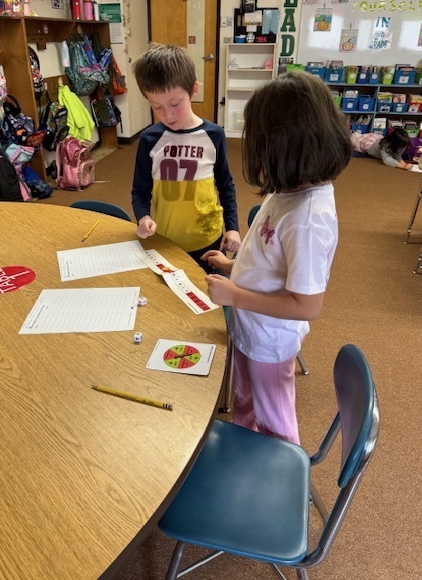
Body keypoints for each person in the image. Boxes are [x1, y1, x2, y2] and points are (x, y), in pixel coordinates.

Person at [201, 71, 352, 444]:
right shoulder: (288, 190)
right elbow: (268, 261)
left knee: (275, 424)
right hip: (251, 328)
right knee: (244, 402)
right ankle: (242, 455)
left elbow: (306, 305)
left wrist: (234, 296)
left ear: (289, 149)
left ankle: (275, 482)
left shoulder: (308, 219)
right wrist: (233, 268)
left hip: (270, 342)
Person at [131, 43, 241, 272]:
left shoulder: (214, 135)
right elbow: (140, 190)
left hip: (208, 240)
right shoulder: (149, 139)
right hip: (166, 240)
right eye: (156, 107)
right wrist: (143, 218)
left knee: (209, 297)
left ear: (194, 89)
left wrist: (233, 227)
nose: (167, 115)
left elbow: (226, 185)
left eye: (175, 104)